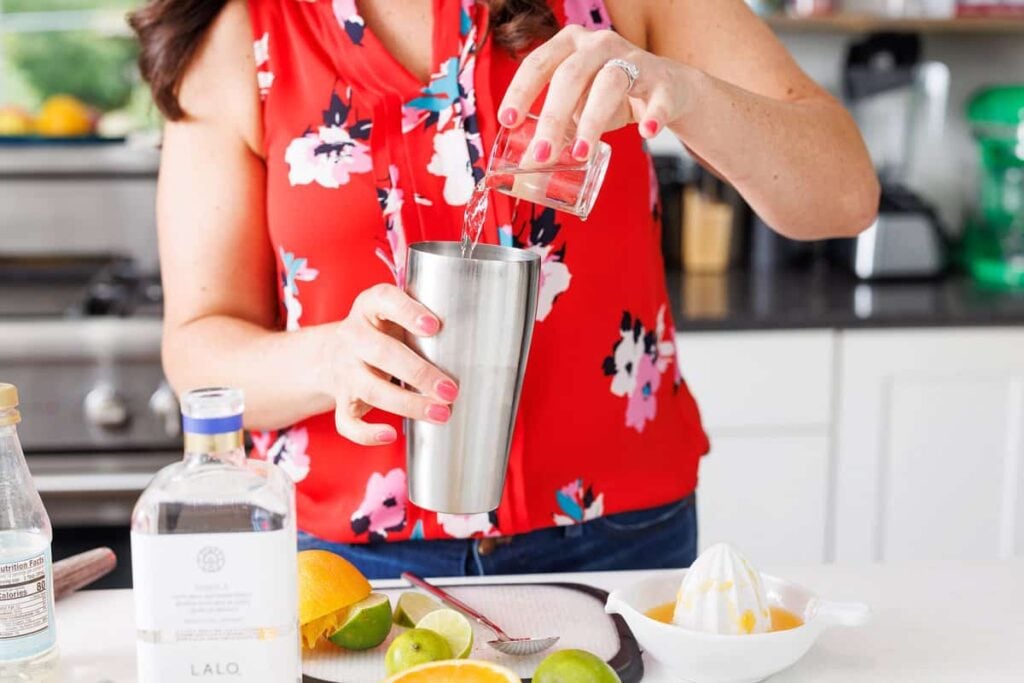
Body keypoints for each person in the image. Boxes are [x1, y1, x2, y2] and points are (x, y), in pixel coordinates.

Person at [129, 0, 877, 579]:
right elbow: (198, 348)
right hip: (348, 563)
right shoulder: (241, 31)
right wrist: (331, 360)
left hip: (621, 542)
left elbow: (845, 194)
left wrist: (680, 89)